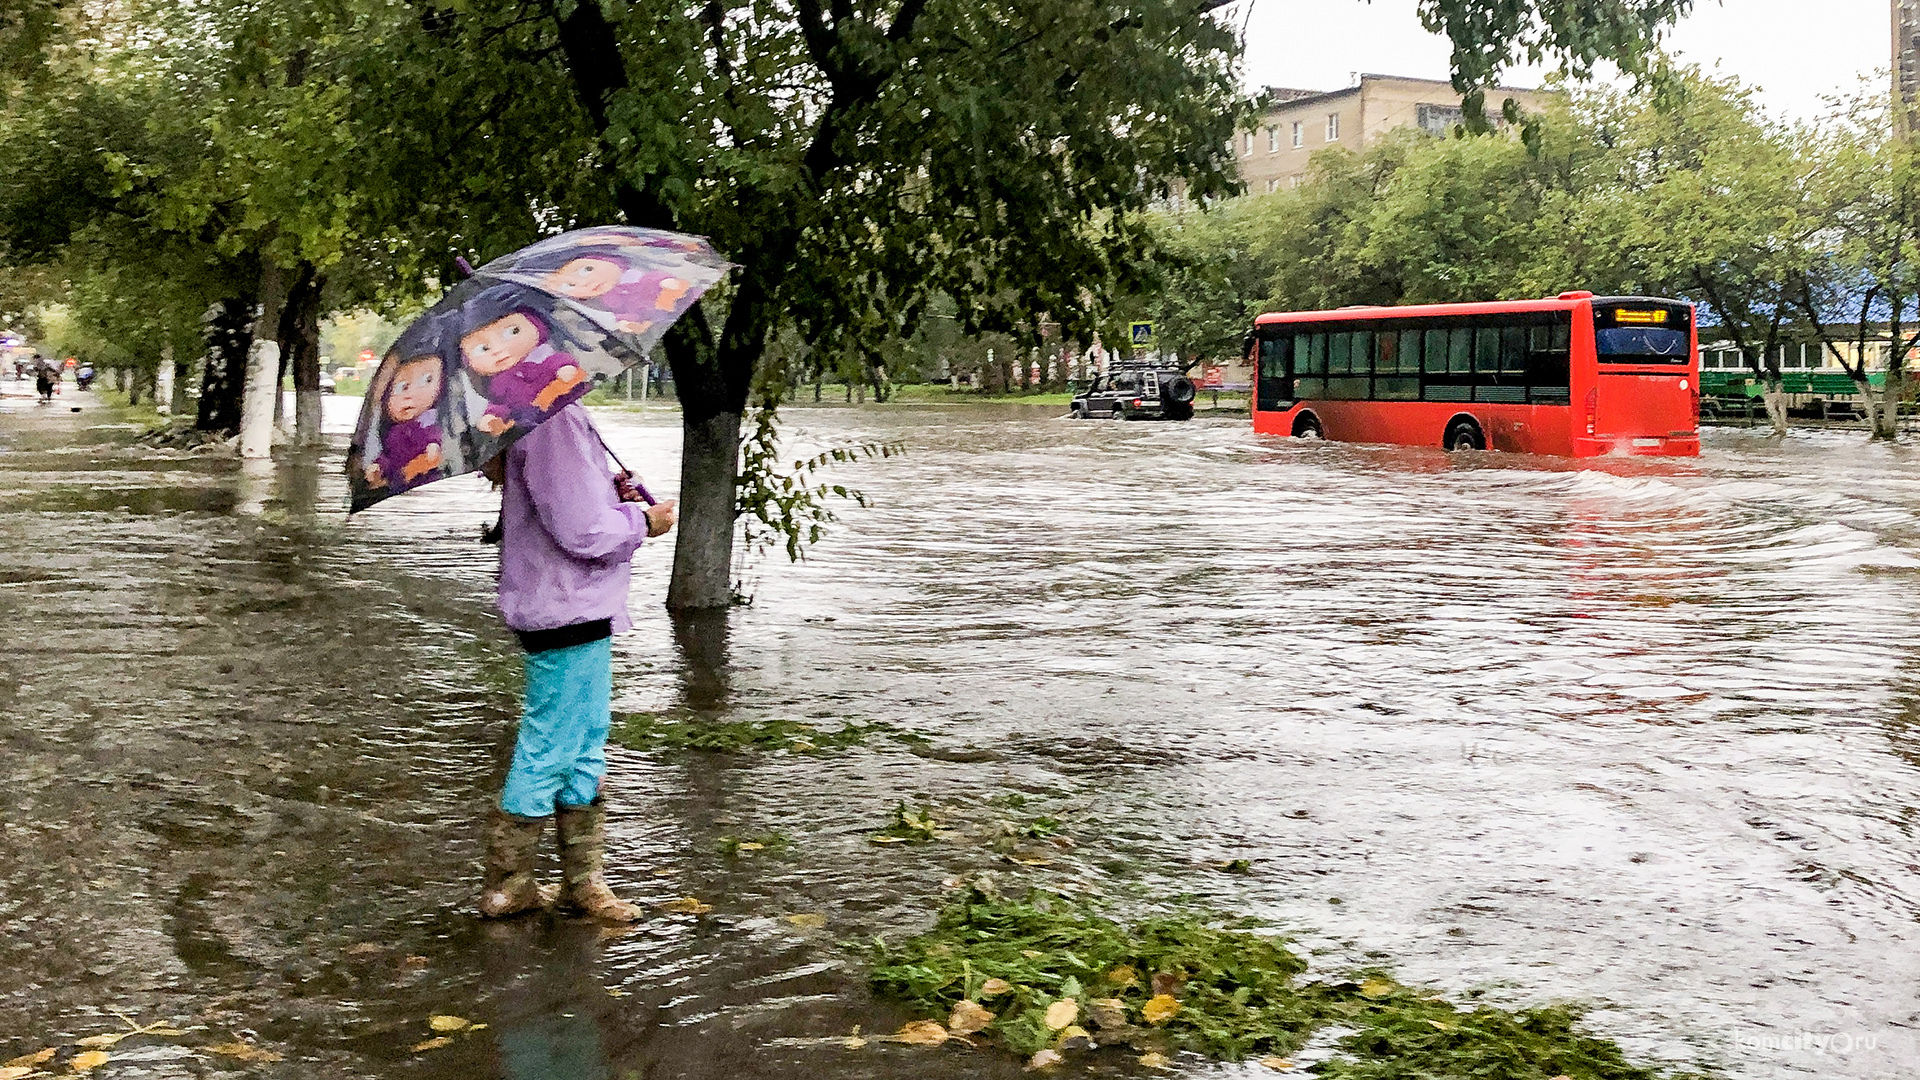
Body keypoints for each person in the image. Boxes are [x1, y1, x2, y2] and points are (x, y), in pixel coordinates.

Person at [479, 402, 675, 921]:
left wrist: (610, 493)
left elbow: (567, 503)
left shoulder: (543, 418)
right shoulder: (552, 421)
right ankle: (509, 885)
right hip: (564, 604)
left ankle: (583, 885)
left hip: (573, 604)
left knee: (585, 741)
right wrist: (643, 521)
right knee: (550, 745)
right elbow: (583, 531)